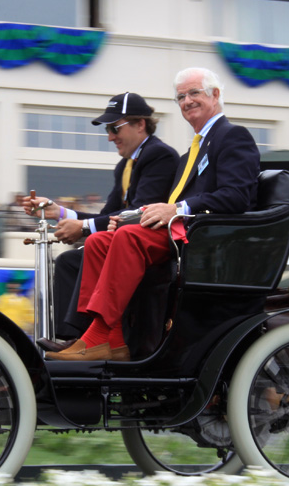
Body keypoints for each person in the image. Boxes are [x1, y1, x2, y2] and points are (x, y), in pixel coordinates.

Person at [46, 68, 260, 361]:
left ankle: (96, 337)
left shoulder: (232, 136)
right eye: (181, 97)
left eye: (194, 93)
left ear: (215, 95)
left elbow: (237, 196)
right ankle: (112, 340)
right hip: (180, 231)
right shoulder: (192, 152)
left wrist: (177, 209)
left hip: (202, 238)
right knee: (97, 243)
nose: (186, 101)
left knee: (128, 236)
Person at [23, 92, 179, 346]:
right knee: (67, 261)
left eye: (114, 128)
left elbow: (137, 212)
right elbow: (108, 214)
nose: (110, 137)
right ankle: (72, 338)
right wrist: (60, 212)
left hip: (149, 250)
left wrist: (82, 227)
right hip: (124, 242)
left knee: (74, 260)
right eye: (108, 129)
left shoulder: (159, 155)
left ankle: (86, 340)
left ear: (140, 124)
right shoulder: (125, 165)